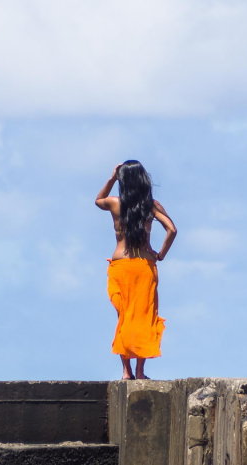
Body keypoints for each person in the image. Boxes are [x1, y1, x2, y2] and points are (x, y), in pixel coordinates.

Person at [95, 160, 177, 380]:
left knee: (125, 318)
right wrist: (160, 254)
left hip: (121, 266)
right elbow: (171, 229)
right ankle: (140, 372)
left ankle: (126, 371)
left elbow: (97, 200)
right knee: (144, 317)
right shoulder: (151, 205)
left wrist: (111, 177)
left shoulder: (114, 204)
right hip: (143, 266)